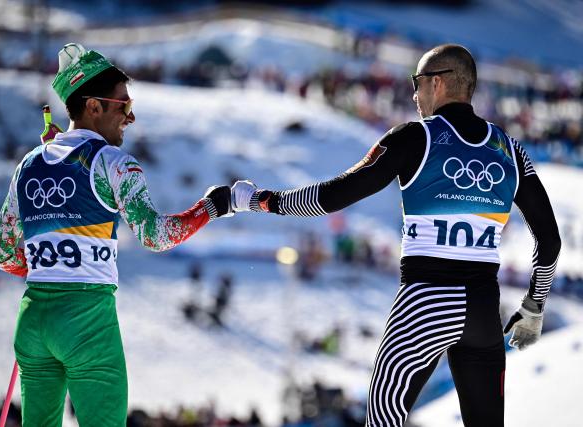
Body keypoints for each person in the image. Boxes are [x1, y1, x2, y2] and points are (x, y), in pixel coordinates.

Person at [231, 44, 561, 427]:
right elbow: (550, 240)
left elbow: (333, 195)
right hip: (483, 310)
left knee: (382, 420)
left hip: (426, 301)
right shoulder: (510, 149)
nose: (413, 94)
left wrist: (256, 201)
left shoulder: (414, 136)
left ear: (437, 83)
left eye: (416, 83)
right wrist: (534, 307)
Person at [0, 43, 232, 426]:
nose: (130, 118)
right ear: (93, 107)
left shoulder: (29, 165)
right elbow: (155, 235)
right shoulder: (114, 163)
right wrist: (212, 207)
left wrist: (42, 267)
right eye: (124, 107)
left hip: (34, 321)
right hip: (86, 322)